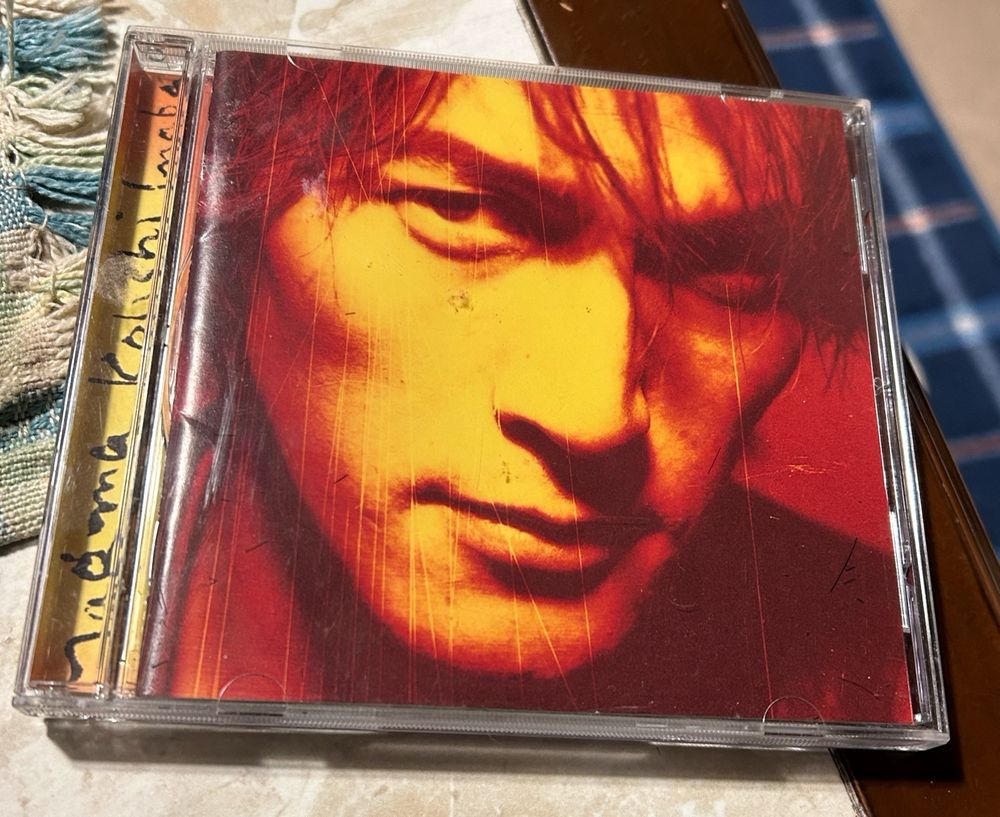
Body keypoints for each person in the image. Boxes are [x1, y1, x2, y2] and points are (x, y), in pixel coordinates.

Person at [139, 51, 912, 724]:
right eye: (458, 209)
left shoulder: (884, 662)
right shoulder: (103, 576)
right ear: (229, 212)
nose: (595, 416)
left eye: (727, 270)